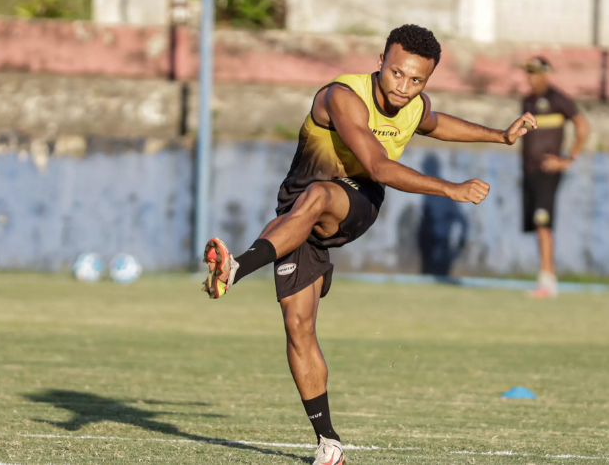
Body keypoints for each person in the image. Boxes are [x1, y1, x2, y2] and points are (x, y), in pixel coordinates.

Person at [201, 24, 537, 465]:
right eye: (397, 74)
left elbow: (423, 133)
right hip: (298, 214)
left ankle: (237, 268)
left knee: (320, 196)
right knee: (298, 327)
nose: (404, 87)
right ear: (380, 61)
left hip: (354, 202)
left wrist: (500, 136)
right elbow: (380, 162)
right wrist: (450, 187)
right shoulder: (342, 97)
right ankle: (329, 443)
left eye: (417, 80)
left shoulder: (414, 105)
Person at [520, 57, 589, 299]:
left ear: (547, 73)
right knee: (537, 227)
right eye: (529, 72)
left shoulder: (558, 99)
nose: (531, 77)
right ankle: (545, 276)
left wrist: (568, 159)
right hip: (529, 172)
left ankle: (548, 280)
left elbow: (582, 126)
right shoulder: (527, 100)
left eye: (536, 72)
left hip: (547, 173)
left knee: (543, 224)